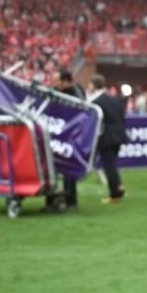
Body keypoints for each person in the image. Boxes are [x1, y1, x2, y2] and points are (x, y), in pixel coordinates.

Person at [90, 74, 127, 203]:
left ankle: (115, 193)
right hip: (119, 134)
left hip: (107, 135)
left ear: (93, 86)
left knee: (109, 165)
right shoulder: (115, 99)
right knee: (112, 163)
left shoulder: (96, 102)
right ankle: (118, 186)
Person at [52, 70, 85, 210]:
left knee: (68, 169)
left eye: (57, 80)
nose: (54, 83)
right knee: (53, 167)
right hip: (57, 134)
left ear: (65, 81)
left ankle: (71, 200)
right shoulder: (56, 92)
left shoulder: (76, 94)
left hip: (71, 136)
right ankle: (54, 200)